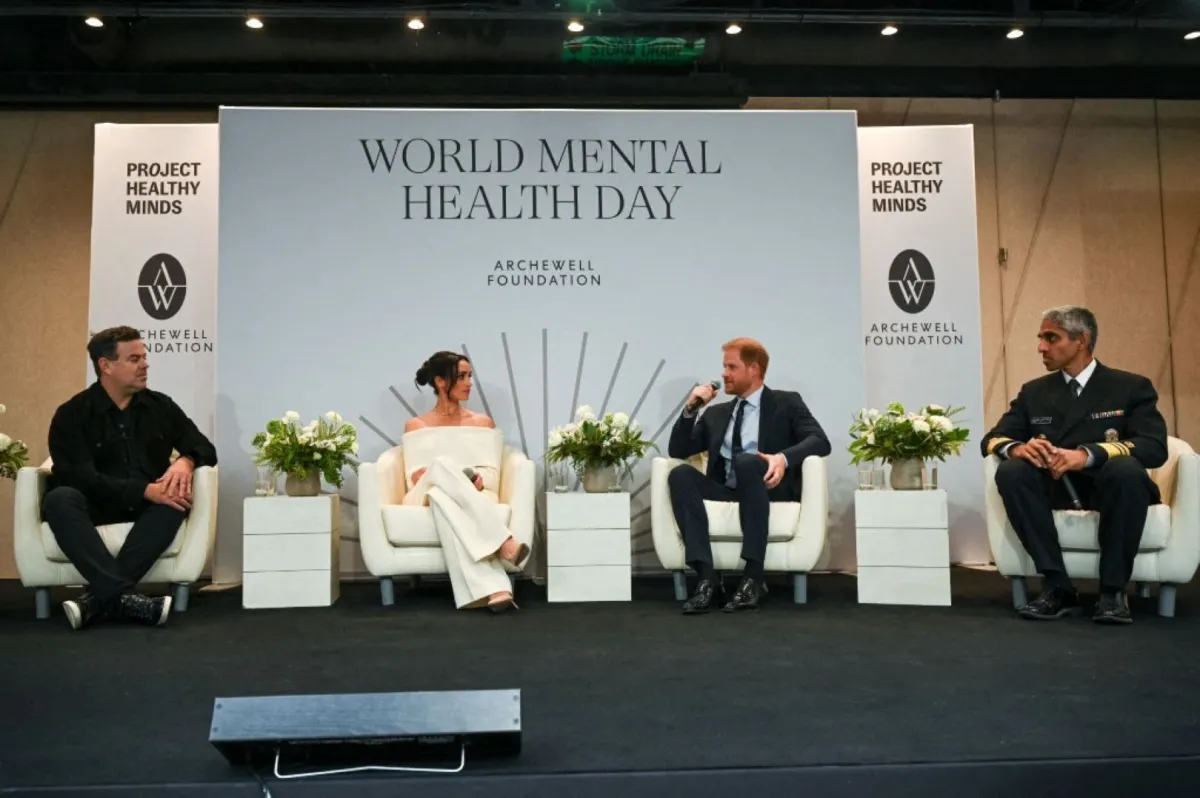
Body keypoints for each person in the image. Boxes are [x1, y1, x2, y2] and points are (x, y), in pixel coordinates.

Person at [982, 306, 1168, 624]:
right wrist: (1020, 449)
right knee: (1011, 470)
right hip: (1055, 490)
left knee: (1126, 470)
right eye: (1041, 338)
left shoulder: (1129, 387)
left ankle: (1112, 592)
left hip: (1110, 490)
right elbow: (992, 439)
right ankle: (1057, 587)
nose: (1042, 346)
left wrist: (1086, 455)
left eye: (1051, 338)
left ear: (1081, 340)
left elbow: (1154, 447)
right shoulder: (1034, 392)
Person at [43, 326, 218, 630]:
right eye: (134, 359)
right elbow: (79, 477)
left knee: (175, 500)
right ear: (105, 365)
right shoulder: (72, 414)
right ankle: (125, 598)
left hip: (148, 508)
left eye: (144, 357)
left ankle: (101, 599)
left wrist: (186, 462)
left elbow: (205, 447)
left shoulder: (160, 406)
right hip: (95, 504)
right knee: (60, 499)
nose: (145, 365)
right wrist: (143, 490)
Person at [667, 337, 831, 614]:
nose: (723, 374)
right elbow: (679, 449)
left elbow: (819, 440)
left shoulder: (785, 402)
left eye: (731, 367)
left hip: (766, 487)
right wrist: (691, 409)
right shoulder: (717, 413)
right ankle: (706, 579)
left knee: (747, 462)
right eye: (723, 367)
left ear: (754, 369)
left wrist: (782, 458)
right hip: (728, 488)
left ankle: (753, 577)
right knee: (680, 474)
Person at [401, 350, 530, 612]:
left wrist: (480, 480)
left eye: (470, 376)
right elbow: (413, 477)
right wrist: (424, 474)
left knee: (442, 497)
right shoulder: (416, 425)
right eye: (461, 376)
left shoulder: (482, 423)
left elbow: (492, 475)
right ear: (440, 381)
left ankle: (496, 590)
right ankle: (503, 542)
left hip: (462, 495)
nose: (469, 382)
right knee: (440, 468)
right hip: (421, 495)